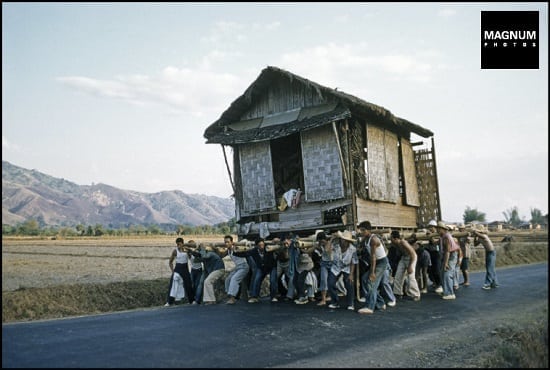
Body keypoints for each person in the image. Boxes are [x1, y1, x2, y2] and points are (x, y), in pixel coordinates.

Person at [356, 221, 390, 314]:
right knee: (364, 279)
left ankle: (370, 307)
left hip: (381, 262)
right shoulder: (365, 238)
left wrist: (372, 272)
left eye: (363, 230)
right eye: (360, 230)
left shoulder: (373, 239)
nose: (361, 232)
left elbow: (373, 257)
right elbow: (360, 247)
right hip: (375, 262)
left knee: (371, 282)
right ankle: (380, 303)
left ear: (368, 230)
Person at [232, 237, 279, 303]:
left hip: (271, 267)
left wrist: (277, 241)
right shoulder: (254, 251)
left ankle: (273, 296)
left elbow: (278, 247)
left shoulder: (268, 248)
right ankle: (255, 297)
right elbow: (245, 254)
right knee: (257, 279)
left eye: (263, 245)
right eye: (260, 245)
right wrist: (234, 252)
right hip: (261, 268)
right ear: (256, 246)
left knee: (273, 280)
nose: (262, 247)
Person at [327, 230, 358, 311]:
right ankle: (335, 302)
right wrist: (331, 239)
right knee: (330, 283)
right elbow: (327, 250)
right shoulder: (336, 245)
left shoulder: (353, 249)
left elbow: (353, 262)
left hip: (347, 267)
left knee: (349, 283)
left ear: (348, 241)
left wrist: (351, 274)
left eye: (345, 240)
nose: (343, 241)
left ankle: (350, 303)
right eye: (342, 239)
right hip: (336, 266)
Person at [390, 230, 421, 301]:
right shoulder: (395, 244)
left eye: (391, 238)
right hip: (404, 258)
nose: (390, 240)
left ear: (395, 238)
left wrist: (410, 266)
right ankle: (397, 293)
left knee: (411, 276)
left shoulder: (403, 242)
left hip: (411, 257)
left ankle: (416, 294)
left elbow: (412, 254)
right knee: (398, 275)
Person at [164, 237, 195, 306]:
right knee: (173, 285)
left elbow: (192, 258)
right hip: (177, 268)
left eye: (180, 244)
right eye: (177, 244)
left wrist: (189, 251)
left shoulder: (187, 250)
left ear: (183, 243)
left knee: (188, 284)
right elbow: (170, 262)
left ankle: (192, 300)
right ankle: (169, 302)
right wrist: (172, 271)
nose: (178, 246)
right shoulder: (175, 251)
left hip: (185, 268)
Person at [220, 235, 250, 304]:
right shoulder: (228, 251)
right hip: (237, 267)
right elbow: (221, 255)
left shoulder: (236, 248)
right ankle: (229, 295)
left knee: (234, 279)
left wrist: (238, 247)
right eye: (225, 242)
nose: (226, 244)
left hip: (244, 267)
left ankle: (232, 298)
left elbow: (244, 242)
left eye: (228, 242)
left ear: (232, 242)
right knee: (228, 279)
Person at [436, 221, 460, 300]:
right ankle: (446, 291)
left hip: (451, 255)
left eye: (439, 229)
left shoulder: (446, 237)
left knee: (447, 273)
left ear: (443, 229)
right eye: (437, 228)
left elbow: (447, 251)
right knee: (442, 273)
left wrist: (446, 263)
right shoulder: (443, 236)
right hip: (448, 255)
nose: (437, 230)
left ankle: (450, 293)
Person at [313, 231, 333, 306]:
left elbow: (327, 250)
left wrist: (331, 240)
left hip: (332, 263)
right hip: (324, 263)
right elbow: (311, 250)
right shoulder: (320, 245)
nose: (321, 242)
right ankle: (323, 299)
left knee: (331, 281)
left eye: (321, 240)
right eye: (319, 240)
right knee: (323, 280)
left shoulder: (330, 243)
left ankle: (330, 296)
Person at [426, 220, 443, 294]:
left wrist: (430, 236)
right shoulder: (429, 233)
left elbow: (435, 242)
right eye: (429, 227)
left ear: (434, 227)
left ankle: (440, 285)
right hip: (430, 253)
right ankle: (435, 282)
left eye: (431, 227)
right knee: (430, 270)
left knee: (436, 269)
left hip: (436, 253)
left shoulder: (437, 234)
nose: (430, 228)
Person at [187, 240, 204, 304]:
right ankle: (192, 299)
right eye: (190, 245)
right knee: (192, 285)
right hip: (193, 270)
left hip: (199, 270)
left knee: (197, 285)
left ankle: (197, 300)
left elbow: (197, 254)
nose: (191, 247)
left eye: (192, 245)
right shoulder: (188, 253)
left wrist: (196, 247)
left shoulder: (197, 251)